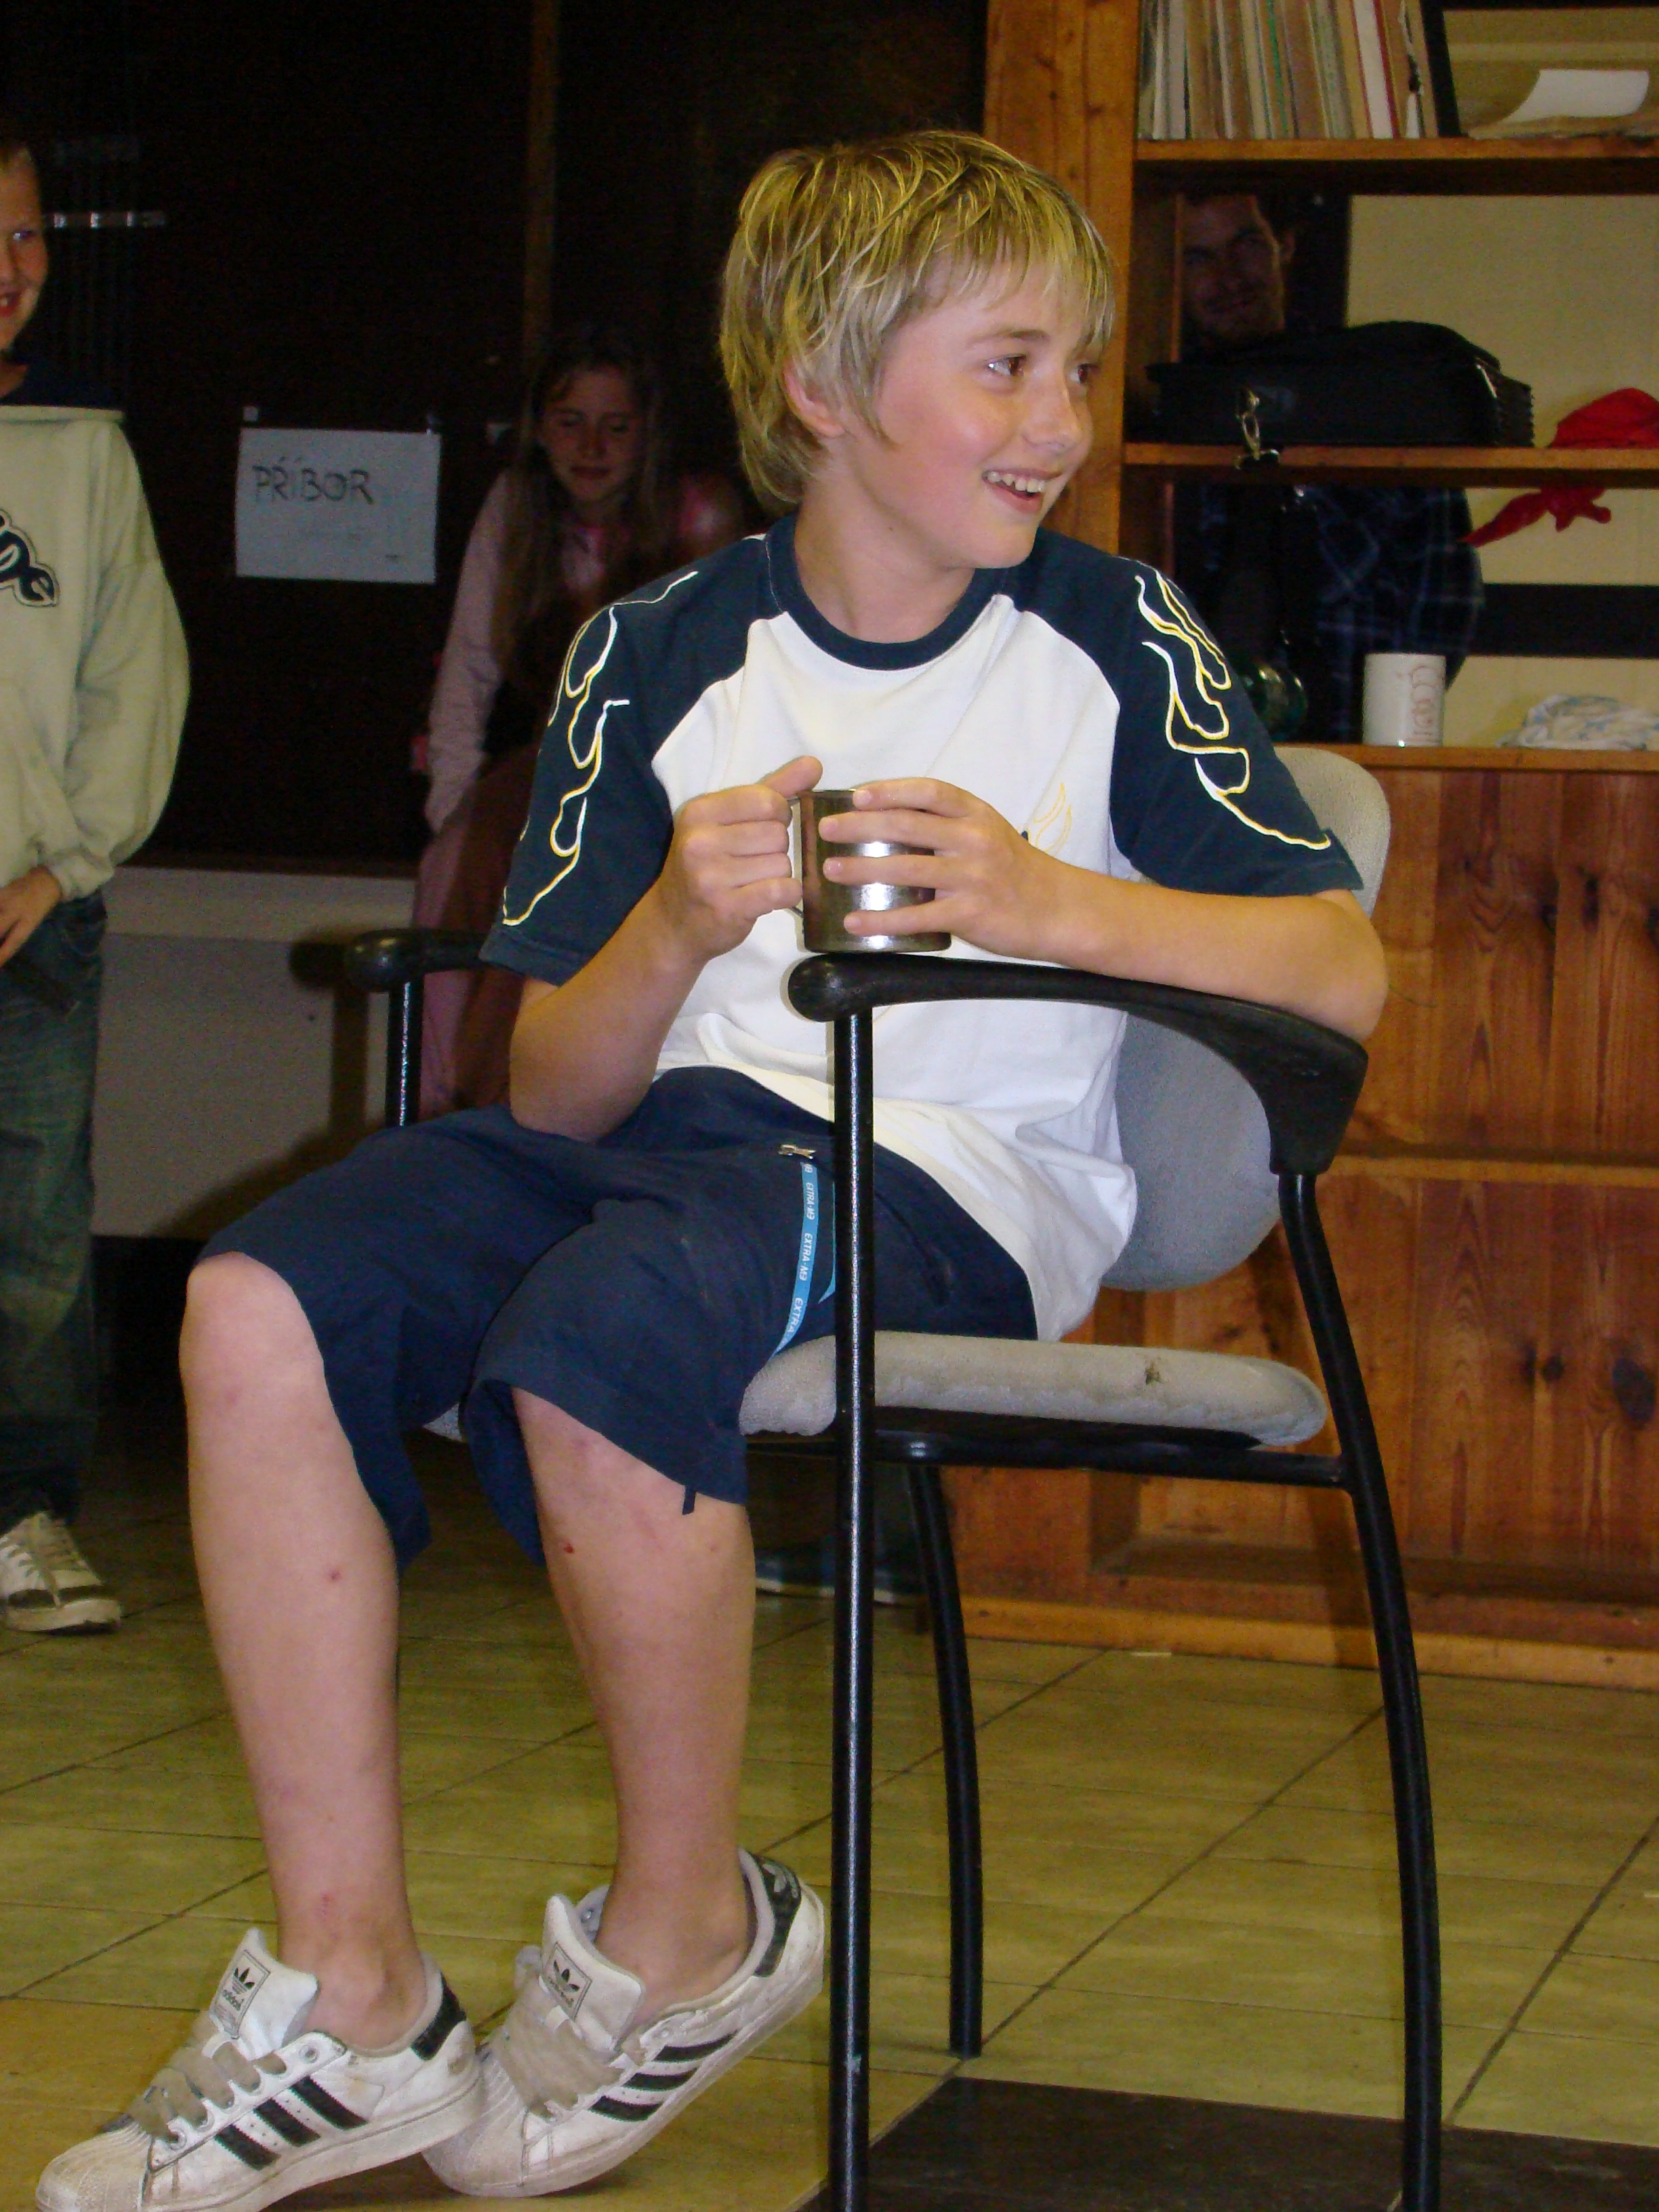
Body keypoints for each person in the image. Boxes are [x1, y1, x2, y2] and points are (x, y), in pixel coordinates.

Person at [39, 129, 1385, 2209]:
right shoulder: (656, 651)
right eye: (1008, 364)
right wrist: (669, 924)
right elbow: (555, 1095)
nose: (1062, 417)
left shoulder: (1118, 634)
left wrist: (1048, 898)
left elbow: (1340, 965)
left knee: (611, 1330)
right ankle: (353, 1991)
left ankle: (688, 1933)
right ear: (823, 384)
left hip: (943, 1176)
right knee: (251, 1303)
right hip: (661, 1152)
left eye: (1076, 364)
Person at [0, 117, 187, 1636]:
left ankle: (23, 1514)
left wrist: (62, 866)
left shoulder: (83, 453)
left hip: (32, 918)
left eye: (24, 235)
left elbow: (136, 678)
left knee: (35, 1234)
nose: (7, 268)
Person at [413, 325, 743, 1113]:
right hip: (549, 765)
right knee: (460, 871)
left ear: (648, 433)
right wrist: (456, 812)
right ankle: (452, 1107)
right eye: (570, 423)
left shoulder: (699, 514)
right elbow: (468, 671)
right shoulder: (515, 510)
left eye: (616, 426)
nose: (592, 447)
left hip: (666, 779)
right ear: (539, 429)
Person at [1172, 191, 1483, 741]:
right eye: (1198, 258)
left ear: (1285, 246)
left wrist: (1385, 741)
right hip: (1183, 754)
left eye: (1247, 245)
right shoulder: (1153, 419)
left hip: (1350, 754)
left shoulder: (1378, 405)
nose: (1228, 277)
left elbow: (1443, 605)